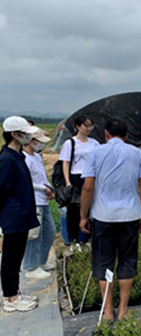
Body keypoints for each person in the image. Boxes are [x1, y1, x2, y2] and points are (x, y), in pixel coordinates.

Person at [79, 119, 141, 321]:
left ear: (106, 134)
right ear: (127, 136)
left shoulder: (95, 153)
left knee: (105, 262)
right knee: (127, 261)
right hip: (130, 215)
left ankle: (107, 310)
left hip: (102, 216)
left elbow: (87, 187)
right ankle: (123, 310)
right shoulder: (138, 154)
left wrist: (83, 216)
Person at [0, 116, 39, 313]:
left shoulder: (18, 156)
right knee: (10, 257)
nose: (28, 137)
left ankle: (15, 291)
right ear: (14, 135)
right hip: (13, 215)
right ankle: (11, 297)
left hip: (21, 215)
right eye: (25, 133)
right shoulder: (6, 159)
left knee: (16, 256)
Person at [59, 115, 100, 249]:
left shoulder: (94, 143)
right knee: (75, 210)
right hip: (76, 177)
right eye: (85, 126)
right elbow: (65, 163)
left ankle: (87, 239)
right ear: (78, 127)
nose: (89, 129)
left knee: (90, 208)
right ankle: (74, 240)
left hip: (91, 177)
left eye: (90, 126)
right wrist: (68, 182)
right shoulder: (70, 143)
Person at [23, 127, 56, 279]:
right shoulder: (24, 158)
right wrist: (43, 188)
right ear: (30, 141)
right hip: (34, 200)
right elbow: (25, 182)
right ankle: (31, 267)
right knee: (35, 235)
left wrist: (49, 188)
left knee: (49, 232)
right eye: (38, 142)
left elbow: (42, 177)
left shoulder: (36, 157)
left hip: (43, 199)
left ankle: (41, 261)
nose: (41, 145)